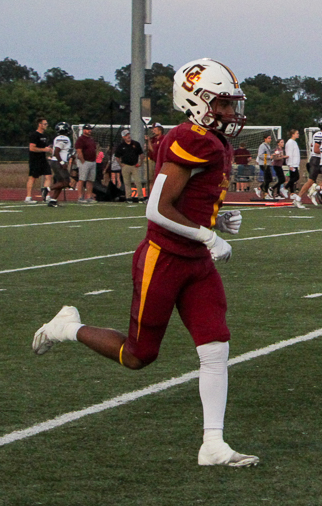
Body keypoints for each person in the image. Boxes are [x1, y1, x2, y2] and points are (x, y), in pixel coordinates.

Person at [32, 58, 258, 467]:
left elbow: (189, 201)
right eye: (222, 105)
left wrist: (216, 218)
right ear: (196, 101)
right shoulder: (192, 139)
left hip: (195, 262)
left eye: (230, 105)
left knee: (215, 346)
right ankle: (68, 327)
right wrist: (208, 234)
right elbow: (155, 209)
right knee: (139, 356)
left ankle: (213, 444)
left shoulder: (217, 142)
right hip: (164, 259)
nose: (229, 113)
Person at [45, 121, 73, 206]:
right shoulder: (64, 138)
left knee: (60, 182)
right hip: (58, 162)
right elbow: (57, 151)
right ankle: (47, 189)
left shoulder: (57, 138)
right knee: (66, 182)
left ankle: (53, 200)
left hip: (56, 162)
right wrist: (62, 162)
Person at [26, 117, 53, 203]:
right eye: (45, 124)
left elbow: (45, 147)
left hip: (43, 159)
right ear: (40, 124)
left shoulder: (45, 136)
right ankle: (28, 197)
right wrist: (44, 149)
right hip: (35, 160)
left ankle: (46, 195)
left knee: (49, 175)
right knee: (33, 178)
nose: (46, 126)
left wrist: (50, 150)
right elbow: (32, 148)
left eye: (46, 124)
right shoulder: (34, 135)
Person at [115, 128, 144, 202]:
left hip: (134, 165)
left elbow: (141, 154)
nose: (128, 136)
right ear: (123, 137)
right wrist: (121, 164)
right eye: (126, 135)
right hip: (126, 166)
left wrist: (140, 162)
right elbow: (117, 156)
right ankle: (128, 197)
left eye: (128, 134)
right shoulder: (121, 146)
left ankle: (141, 197)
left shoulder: (136, 144)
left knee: (137, 181)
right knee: (127, 182)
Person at [74, 124, 97, 204]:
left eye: (90, 129)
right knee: (82, 179)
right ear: (84, 130)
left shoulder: (91, 139)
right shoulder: (81, 139)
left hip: (92, 161)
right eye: (87, 129)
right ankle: (80, 196)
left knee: (90, 180)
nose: (89, 131)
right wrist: (82, 160)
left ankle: (89, 196)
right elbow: (79, 151)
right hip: (85, 161)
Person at [284, 129, 306, 207]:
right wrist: (290, 164)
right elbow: (289, 154)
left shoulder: (294, 142)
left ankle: (292, 192)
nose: (298, 134)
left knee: (293, 178)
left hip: (295, 163)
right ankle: (285, 188)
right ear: (292, 134)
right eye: (297, 133)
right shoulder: (290, 143)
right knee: (296, 177)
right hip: (292, 163)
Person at [254, 132, 275, 200]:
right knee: (267, 178)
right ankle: (265, 193)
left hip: (268, 163)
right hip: (264, 164)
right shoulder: (262, 146)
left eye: (270, 138)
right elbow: (260, 155)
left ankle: (260, 188)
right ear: (265, 139)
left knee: (269, 179)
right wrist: (269, 157)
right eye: (269, 138)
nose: (270, 139)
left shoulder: (268, 146)